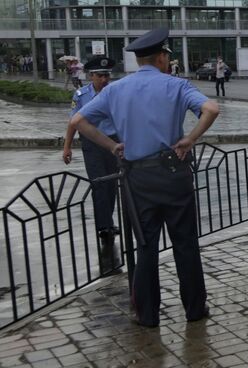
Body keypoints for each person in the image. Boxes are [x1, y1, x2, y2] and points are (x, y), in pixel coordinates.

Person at [68, 27, 220, 327]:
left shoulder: (115, 89)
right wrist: (189, 139)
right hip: (174, 173)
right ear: (162, 57)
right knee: (185, 244)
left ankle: (147, 315)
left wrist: (113, 146)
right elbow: (211, 108)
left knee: (146, 246)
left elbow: (78, 121)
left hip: (137, 178)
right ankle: (194, 310)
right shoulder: (176, 85)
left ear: (140, 61)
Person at [62, 56, 121, 277]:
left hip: (113, 142)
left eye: (107, 75)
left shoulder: (115, 92)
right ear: (91, 76)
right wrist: (67, 147)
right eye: (100, 76)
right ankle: (103, 226)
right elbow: (73, 122)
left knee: (113, 183)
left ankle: (108, 221)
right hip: (92, 145)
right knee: (99, 184)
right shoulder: (81, 96)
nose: (104, 79)